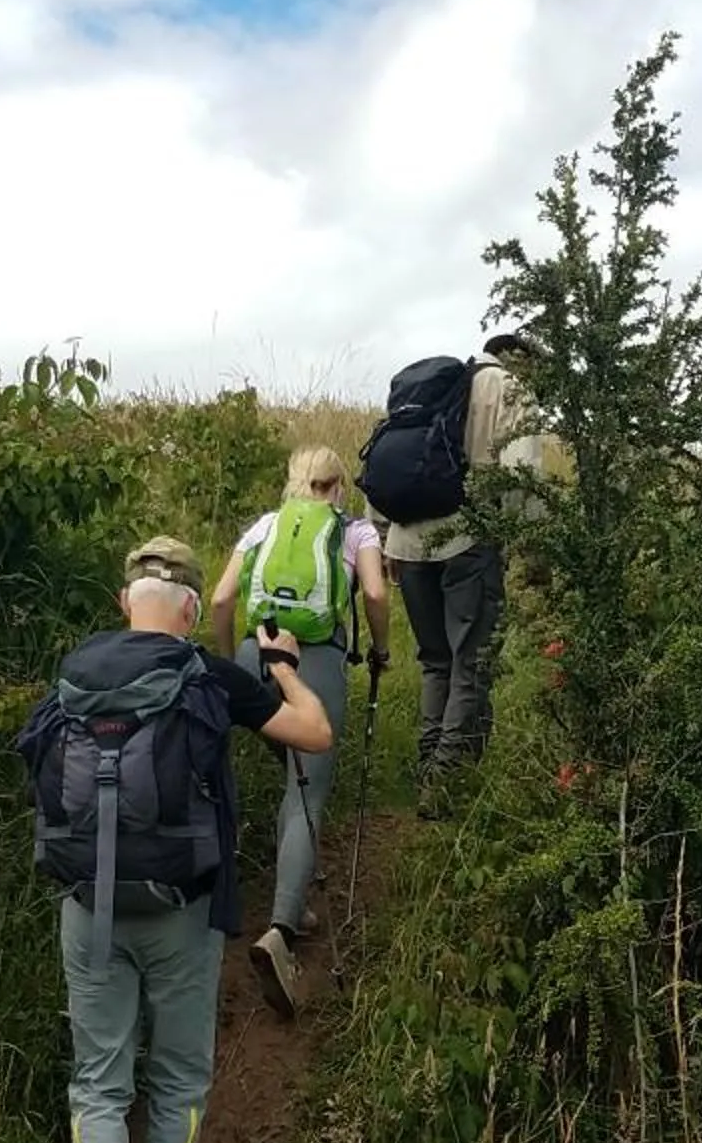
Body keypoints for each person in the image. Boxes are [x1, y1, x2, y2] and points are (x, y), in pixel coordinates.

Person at [16, 535, 332, 1143]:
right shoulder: (204, 674)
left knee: (98, 1081)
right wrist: (283, 663)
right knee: (180, 1079)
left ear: (127, 602)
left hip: (88, 907)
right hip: (182, 909)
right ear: (191, 610)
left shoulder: (75, 674)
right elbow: (314, 734)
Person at [208, 445, 393, 1020]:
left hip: (250, 654)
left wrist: (232, 660)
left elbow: (220, 597)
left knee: (287, 767)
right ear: (339, 484)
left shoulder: (264, 525)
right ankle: (281, 931)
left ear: (293, 481)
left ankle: (285, 892)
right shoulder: (356, 531)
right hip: (311, 660)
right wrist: (381, 650)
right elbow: (376, 594)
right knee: (305, 788)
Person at [379, 331, 544, 812]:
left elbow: (389, 456)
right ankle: (444, 782)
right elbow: (522, 475)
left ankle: (430, 764)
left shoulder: (433, 386)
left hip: (407, 542)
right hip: (468, 540)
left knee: (436, 661)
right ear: (524, 362)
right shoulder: (509, 390)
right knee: (471, 663)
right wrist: (524, 542)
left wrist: (384, 534)